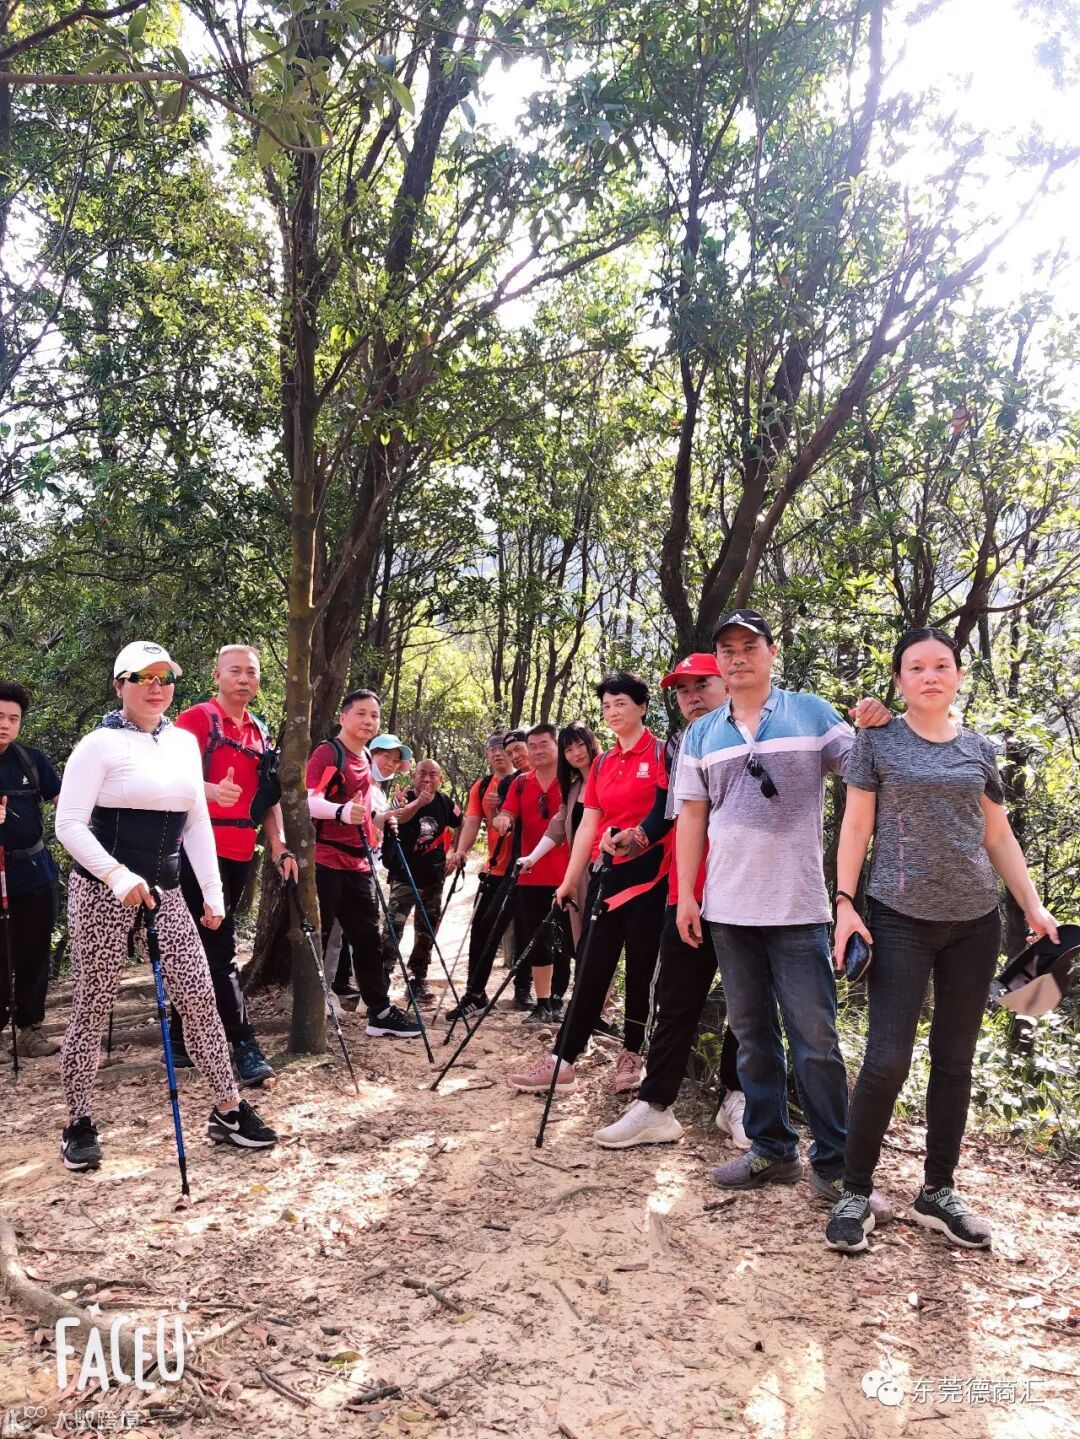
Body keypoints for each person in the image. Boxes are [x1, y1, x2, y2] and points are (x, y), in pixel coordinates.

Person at [825, 627, 1059, 1253]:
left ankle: (938, 1191)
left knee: (955, 1062)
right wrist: (844, 904)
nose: (930, 676)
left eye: (941, 666)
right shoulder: (876, 740)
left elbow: (997, 835)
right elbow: (856, 825)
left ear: (957, 675)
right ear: (899, 680)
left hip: (976, 922)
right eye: (916, 667)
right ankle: (854, 1190)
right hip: (898, 916)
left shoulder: (979, 749)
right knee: (887, 1060)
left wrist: (1033, 906)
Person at [674, 610, 890, 1211]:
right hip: (727, 906)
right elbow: (692, 816)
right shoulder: (701, 733)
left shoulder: (810, 714)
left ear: (772, 652)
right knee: (751, 1036)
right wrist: (688, 893)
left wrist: (880, 724)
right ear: (718, 662)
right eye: (727, 650)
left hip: (798, 906)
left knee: (816, 1039)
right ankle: (772, 1149)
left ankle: (838, 1166)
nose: (738, 658)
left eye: (750, 646)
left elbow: (866, 771)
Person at [54, 642, 276, 1172]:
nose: (156, 687)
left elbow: (196, 821)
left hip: (169, 892)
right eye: (143, 677)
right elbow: (69, 825)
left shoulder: (181, 743)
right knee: (93, 1003)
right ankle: (78, 1122)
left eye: (165, 677)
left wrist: (214, 893)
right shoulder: (98, 745)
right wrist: (116, 874)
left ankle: (228, 1108)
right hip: (102, 890)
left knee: (199, 996)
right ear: (120, 685)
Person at [592, 654, 748, 1148]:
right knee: (675, 999)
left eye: (702, 685)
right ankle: (656, 1106)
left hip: (747, 889)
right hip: (688, 890)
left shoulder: (758, 732)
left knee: (748, 1001)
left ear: (728, 684)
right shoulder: (679, 744)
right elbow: (668, 808)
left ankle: (738, 1097)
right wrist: (637, 838)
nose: (692, 696)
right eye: (682, 690)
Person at [507, 672, 670, 1098]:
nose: (612, 712)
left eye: (621, 703)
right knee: (592, 966)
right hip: (608, 875)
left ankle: (633, 1053)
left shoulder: (661, 753)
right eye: (606, 706)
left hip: (653, 878)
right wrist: (568, 880)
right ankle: (563, 1060)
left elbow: (669, 813)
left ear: (642, 706)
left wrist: (637, 838)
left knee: (641, 968)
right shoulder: (603, 763)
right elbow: (588, 825)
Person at [172, 645, 297, 1087]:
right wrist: (211, 790)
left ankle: (182, 1036)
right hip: (194, 849)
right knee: (216, 949)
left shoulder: (259, 730)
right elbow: (170, 777)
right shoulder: (196, 720)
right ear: (217, 675)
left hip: (241, 850)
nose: (244, 679)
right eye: (235, 671)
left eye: (251, 672)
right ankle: (243, 1045)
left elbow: (267, 796)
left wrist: (278, 846)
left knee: (202, 944)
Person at [306, 689, 421, 1037]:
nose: (368, 721)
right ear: (343, 717)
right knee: (319, 937)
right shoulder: (329, 752)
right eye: (361, 713)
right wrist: (340, 811)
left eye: (374, 715)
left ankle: (380, 1012)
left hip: (358, 866)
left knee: (368, 940)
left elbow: (363, 808)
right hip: (325, 861)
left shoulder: (366, 756)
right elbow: (307, 801)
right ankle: (309, 1011)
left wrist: (379, 820)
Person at [493, 724, 572, 1024]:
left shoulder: (572, 780)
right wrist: (503, 819)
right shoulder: (520, 783)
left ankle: (558, 999)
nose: (537, 751)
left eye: (544, 744)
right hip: (531, 873)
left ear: (557, 745)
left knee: (564, 941)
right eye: (533, 745)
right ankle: (542, 1003)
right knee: (537, 940)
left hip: (567, 874)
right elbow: (509, 813)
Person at [0, 680, 62, 1057]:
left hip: (35, 872)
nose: (5, 724)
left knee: (35, 952)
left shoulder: (31, 760)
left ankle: (28, 1030)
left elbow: (64, 801)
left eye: (13, 718)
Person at [445, 733, 519, 1020]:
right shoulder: (482, 786)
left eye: (503, 748)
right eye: (492, 749)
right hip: (494, 868)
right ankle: (475, 993)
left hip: (523, 869)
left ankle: (528, 992)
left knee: (524, 929)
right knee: (482, 929)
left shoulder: (524, 780)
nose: (498, 753)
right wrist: (461, 850)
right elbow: (473, 820)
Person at [379, 758, 462, 1003]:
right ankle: (382, 978)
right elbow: (397, 819)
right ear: (414, 776)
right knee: (393, 927)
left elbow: (464, 821)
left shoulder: (445, 802)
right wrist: (417, 803)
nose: (427, 779)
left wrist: (455, 852)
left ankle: (417, 979)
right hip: (404, 875)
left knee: (427, 930)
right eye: (422, 773)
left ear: (440, 779)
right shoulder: (403, 798)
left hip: (433, 877)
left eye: (433, 774)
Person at [336, 732, 412, 996]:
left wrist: (395, 808)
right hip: (344, 865)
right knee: (336, 934)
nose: (390, 764)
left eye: (395, 760)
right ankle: (331, 988)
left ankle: (354, 988)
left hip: (367, 868)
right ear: (371, 754)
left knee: (360, 933)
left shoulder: (377, 790)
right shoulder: (357, 784)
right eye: (385, 757)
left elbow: (377, 821)